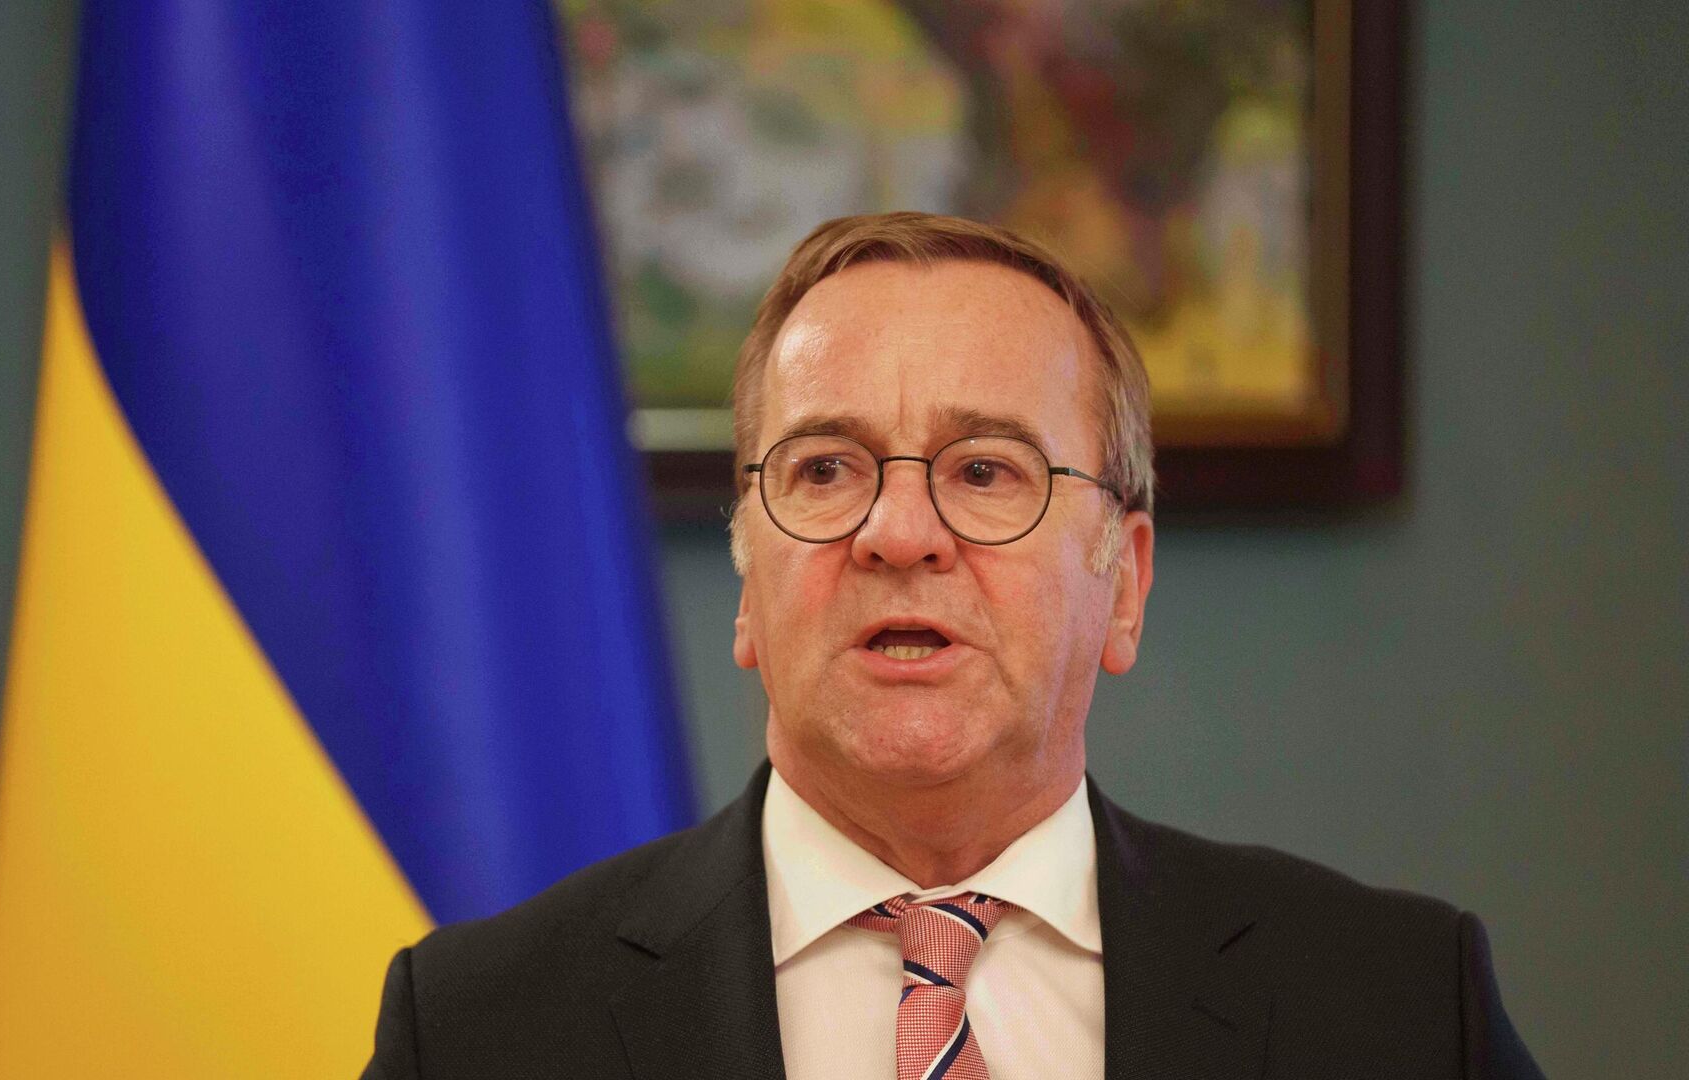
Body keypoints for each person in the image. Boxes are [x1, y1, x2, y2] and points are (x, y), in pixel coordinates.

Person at [360, 212, 1543, 1079]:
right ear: (746, 584)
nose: (898, 533)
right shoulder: (477, 1033)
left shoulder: (1397, 1011)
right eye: (826, 469)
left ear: (1124, 584)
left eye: (985, 472)